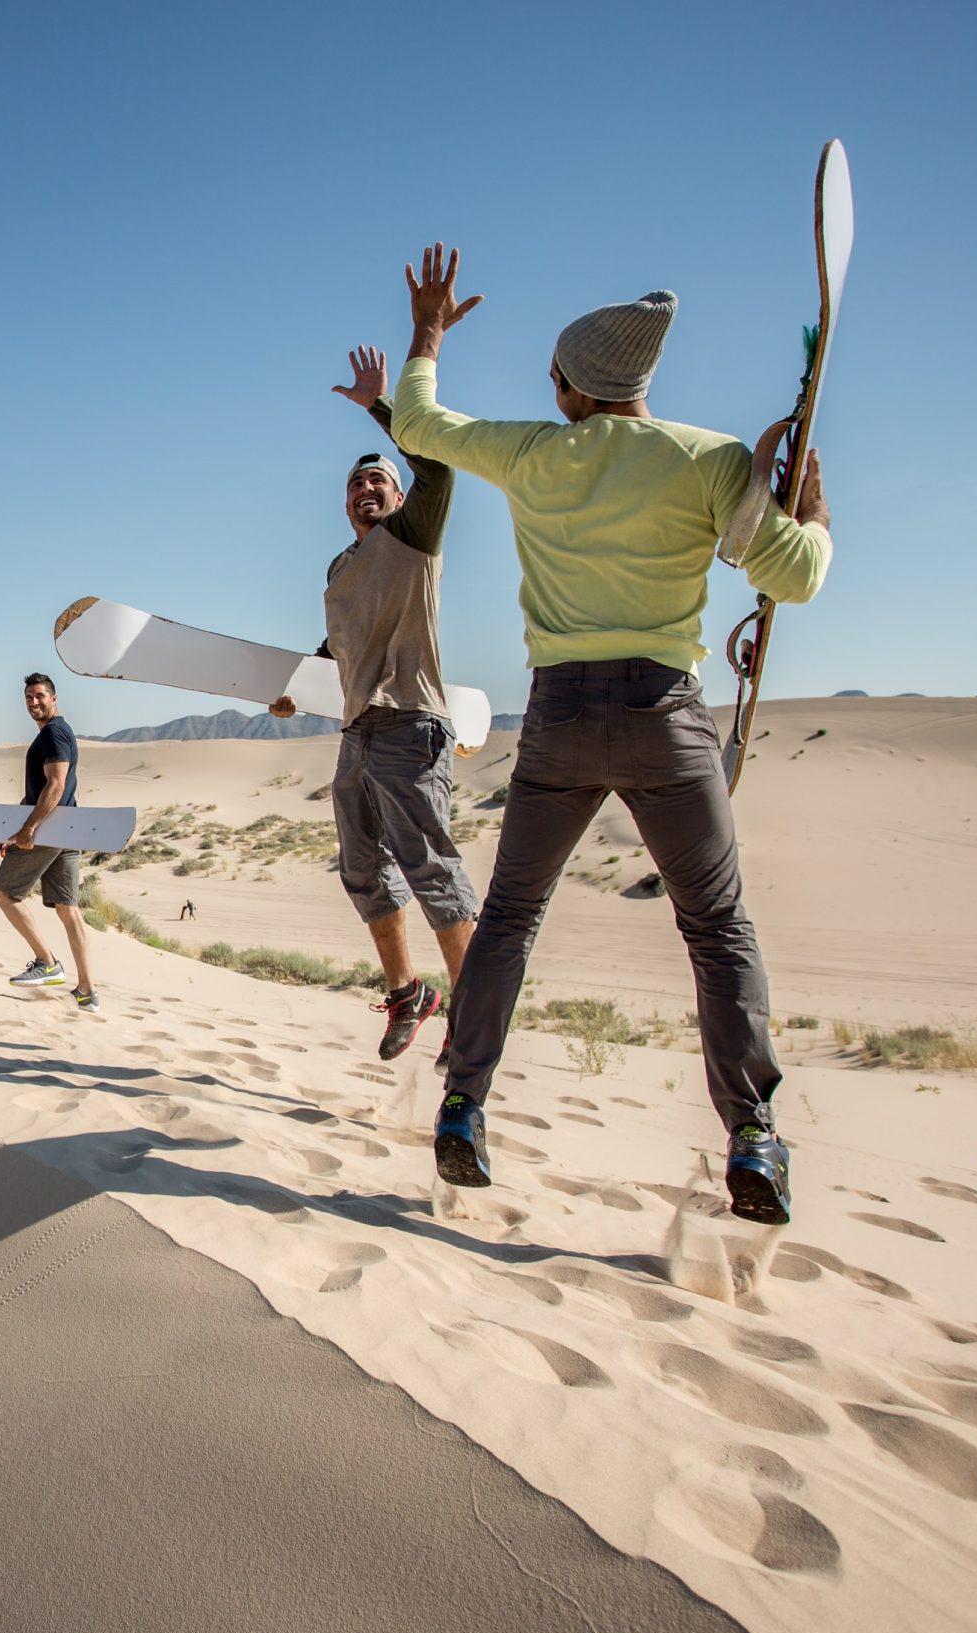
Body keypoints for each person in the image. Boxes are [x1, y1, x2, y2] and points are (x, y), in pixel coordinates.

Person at [390, 244, 830, 1226]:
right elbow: (796, 575)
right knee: (715, 927)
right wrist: (810, 508)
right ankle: (752, 1131)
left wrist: (427, 332)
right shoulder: (712, 459)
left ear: (573, 387)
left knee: (507, 920)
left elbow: (416, 422)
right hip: (666, 719)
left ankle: (463, 1105)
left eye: (552, 378)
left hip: (555, 720)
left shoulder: (533, 454)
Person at [269, 347, 477, 1062]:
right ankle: (408, 992)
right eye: (356, 483)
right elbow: (338, 644)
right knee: (361, 868)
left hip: (412, 723)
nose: (366, 489)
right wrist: (299, 686)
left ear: (397, 497)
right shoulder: (340, 567)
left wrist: (381, 409)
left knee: (430, 868)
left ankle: (475, 1014)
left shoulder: (416, 537)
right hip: (358, 732)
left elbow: (440, 472)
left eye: (379, 482)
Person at [0, 673, 98, 1011]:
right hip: (67, 827)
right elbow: (38, 791)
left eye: (39, 696)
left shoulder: (54, 733)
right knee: (68, 910)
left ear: (54, 698)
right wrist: (12, 829)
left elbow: (55, 785)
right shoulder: (53, 733)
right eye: (28, 697)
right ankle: (86, 991)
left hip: (50, 828)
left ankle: (46, 962)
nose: (33, 702)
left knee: (3, 892)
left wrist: (29, 829)